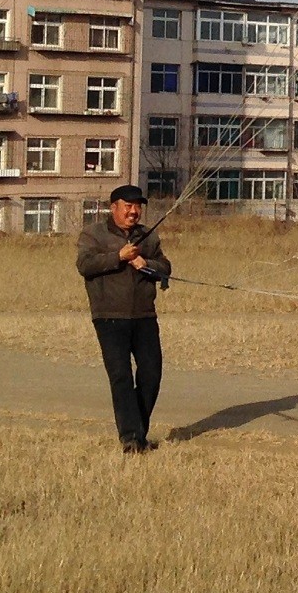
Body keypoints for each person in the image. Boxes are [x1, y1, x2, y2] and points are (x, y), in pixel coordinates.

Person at [75, 185, 172, 454]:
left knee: (151, 374)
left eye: (137, 206)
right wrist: (118, 256)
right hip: (109, 316)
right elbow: (85, 265)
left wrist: (146, 264)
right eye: (127, 206)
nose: (133, 211)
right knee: (121, 376)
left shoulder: (147, 237)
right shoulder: (93, 234)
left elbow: (166, 268)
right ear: (113, 207)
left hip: (144, 315)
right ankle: (131, 438)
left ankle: (138, 431)